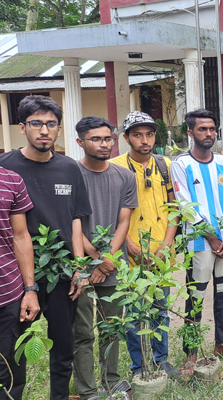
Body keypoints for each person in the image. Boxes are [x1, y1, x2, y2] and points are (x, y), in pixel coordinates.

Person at [0, 95, 91, 400]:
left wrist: (79, 268)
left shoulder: (69, 168)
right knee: (14, 350)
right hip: (15, 277)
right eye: (36, 123)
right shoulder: (5, 168)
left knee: (63, 345)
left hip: (61, 273)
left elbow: (77, 220)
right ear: (22, 127)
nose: (44, 130)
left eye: (51, 124)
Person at [172, 109, 223, 374]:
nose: (209, 134)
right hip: (200, 244)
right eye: (202, 129)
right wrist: (213, 239)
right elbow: (186, 207)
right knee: (196, 298)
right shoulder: (181, 164)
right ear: (190, 133)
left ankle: (222, 343)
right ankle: (191, 352)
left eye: (212, 129)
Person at [109, 111, 179, 378]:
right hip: (130, 255)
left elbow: (175, 208)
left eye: (149, 134)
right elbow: (113, 212)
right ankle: (139, 366)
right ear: (126, 138)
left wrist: (167, 244)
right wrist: (130, 247)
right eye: (137, 135)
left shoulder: (165, 165)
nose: (144, 140)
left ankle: (161, 360)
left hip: (161, 252)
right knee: (136, 313)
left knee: (161, 310)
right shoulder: (115, 166)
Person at [73, 116, 137, 399]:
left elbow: (124, 221)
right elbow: (69, 221)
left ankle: (111, 381)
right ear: (80, 142)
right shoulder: (70, 174)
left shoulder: (124, 175)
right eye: (96, 139)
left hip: (113, 264)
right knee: (84, 332)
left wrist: (108, 258)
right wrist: (96, 259)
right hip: (80, 265)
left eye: (108, 138)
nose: (104, 144)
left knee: (111, 329)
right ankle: (87, 391)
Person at [0, 165, 37, 400]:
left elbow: (21, 236)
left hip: (9, 292)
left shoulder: (11, 180)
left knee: (11, 371)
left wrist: (30, 290)